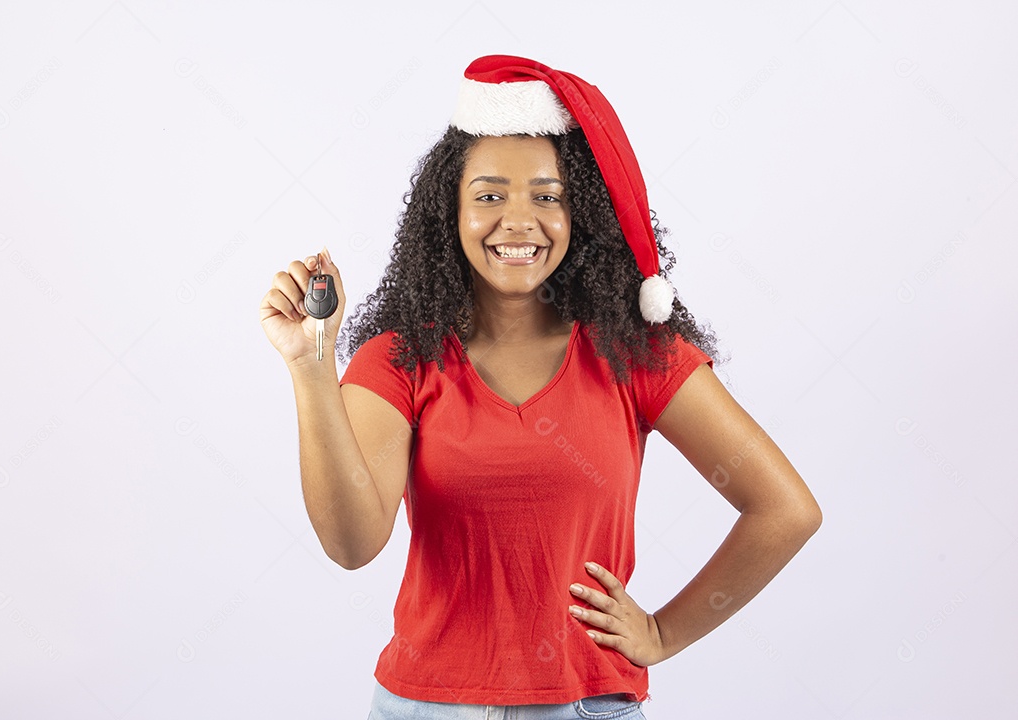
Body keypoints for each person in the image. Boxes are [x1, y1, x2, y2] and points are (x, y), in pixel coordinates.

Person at [259, 55, 822, 720]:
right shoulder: (401, 359)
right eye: (490, 195)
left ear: (581, 211)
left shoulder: (635, 353)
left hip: (588, 705)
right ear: (451, 212)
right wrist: (311, 363)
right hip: (425, 705)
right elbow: (352, 544)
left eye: (547, 196)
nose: (519, 221)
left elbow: (786, 510)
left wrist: (665, 633)